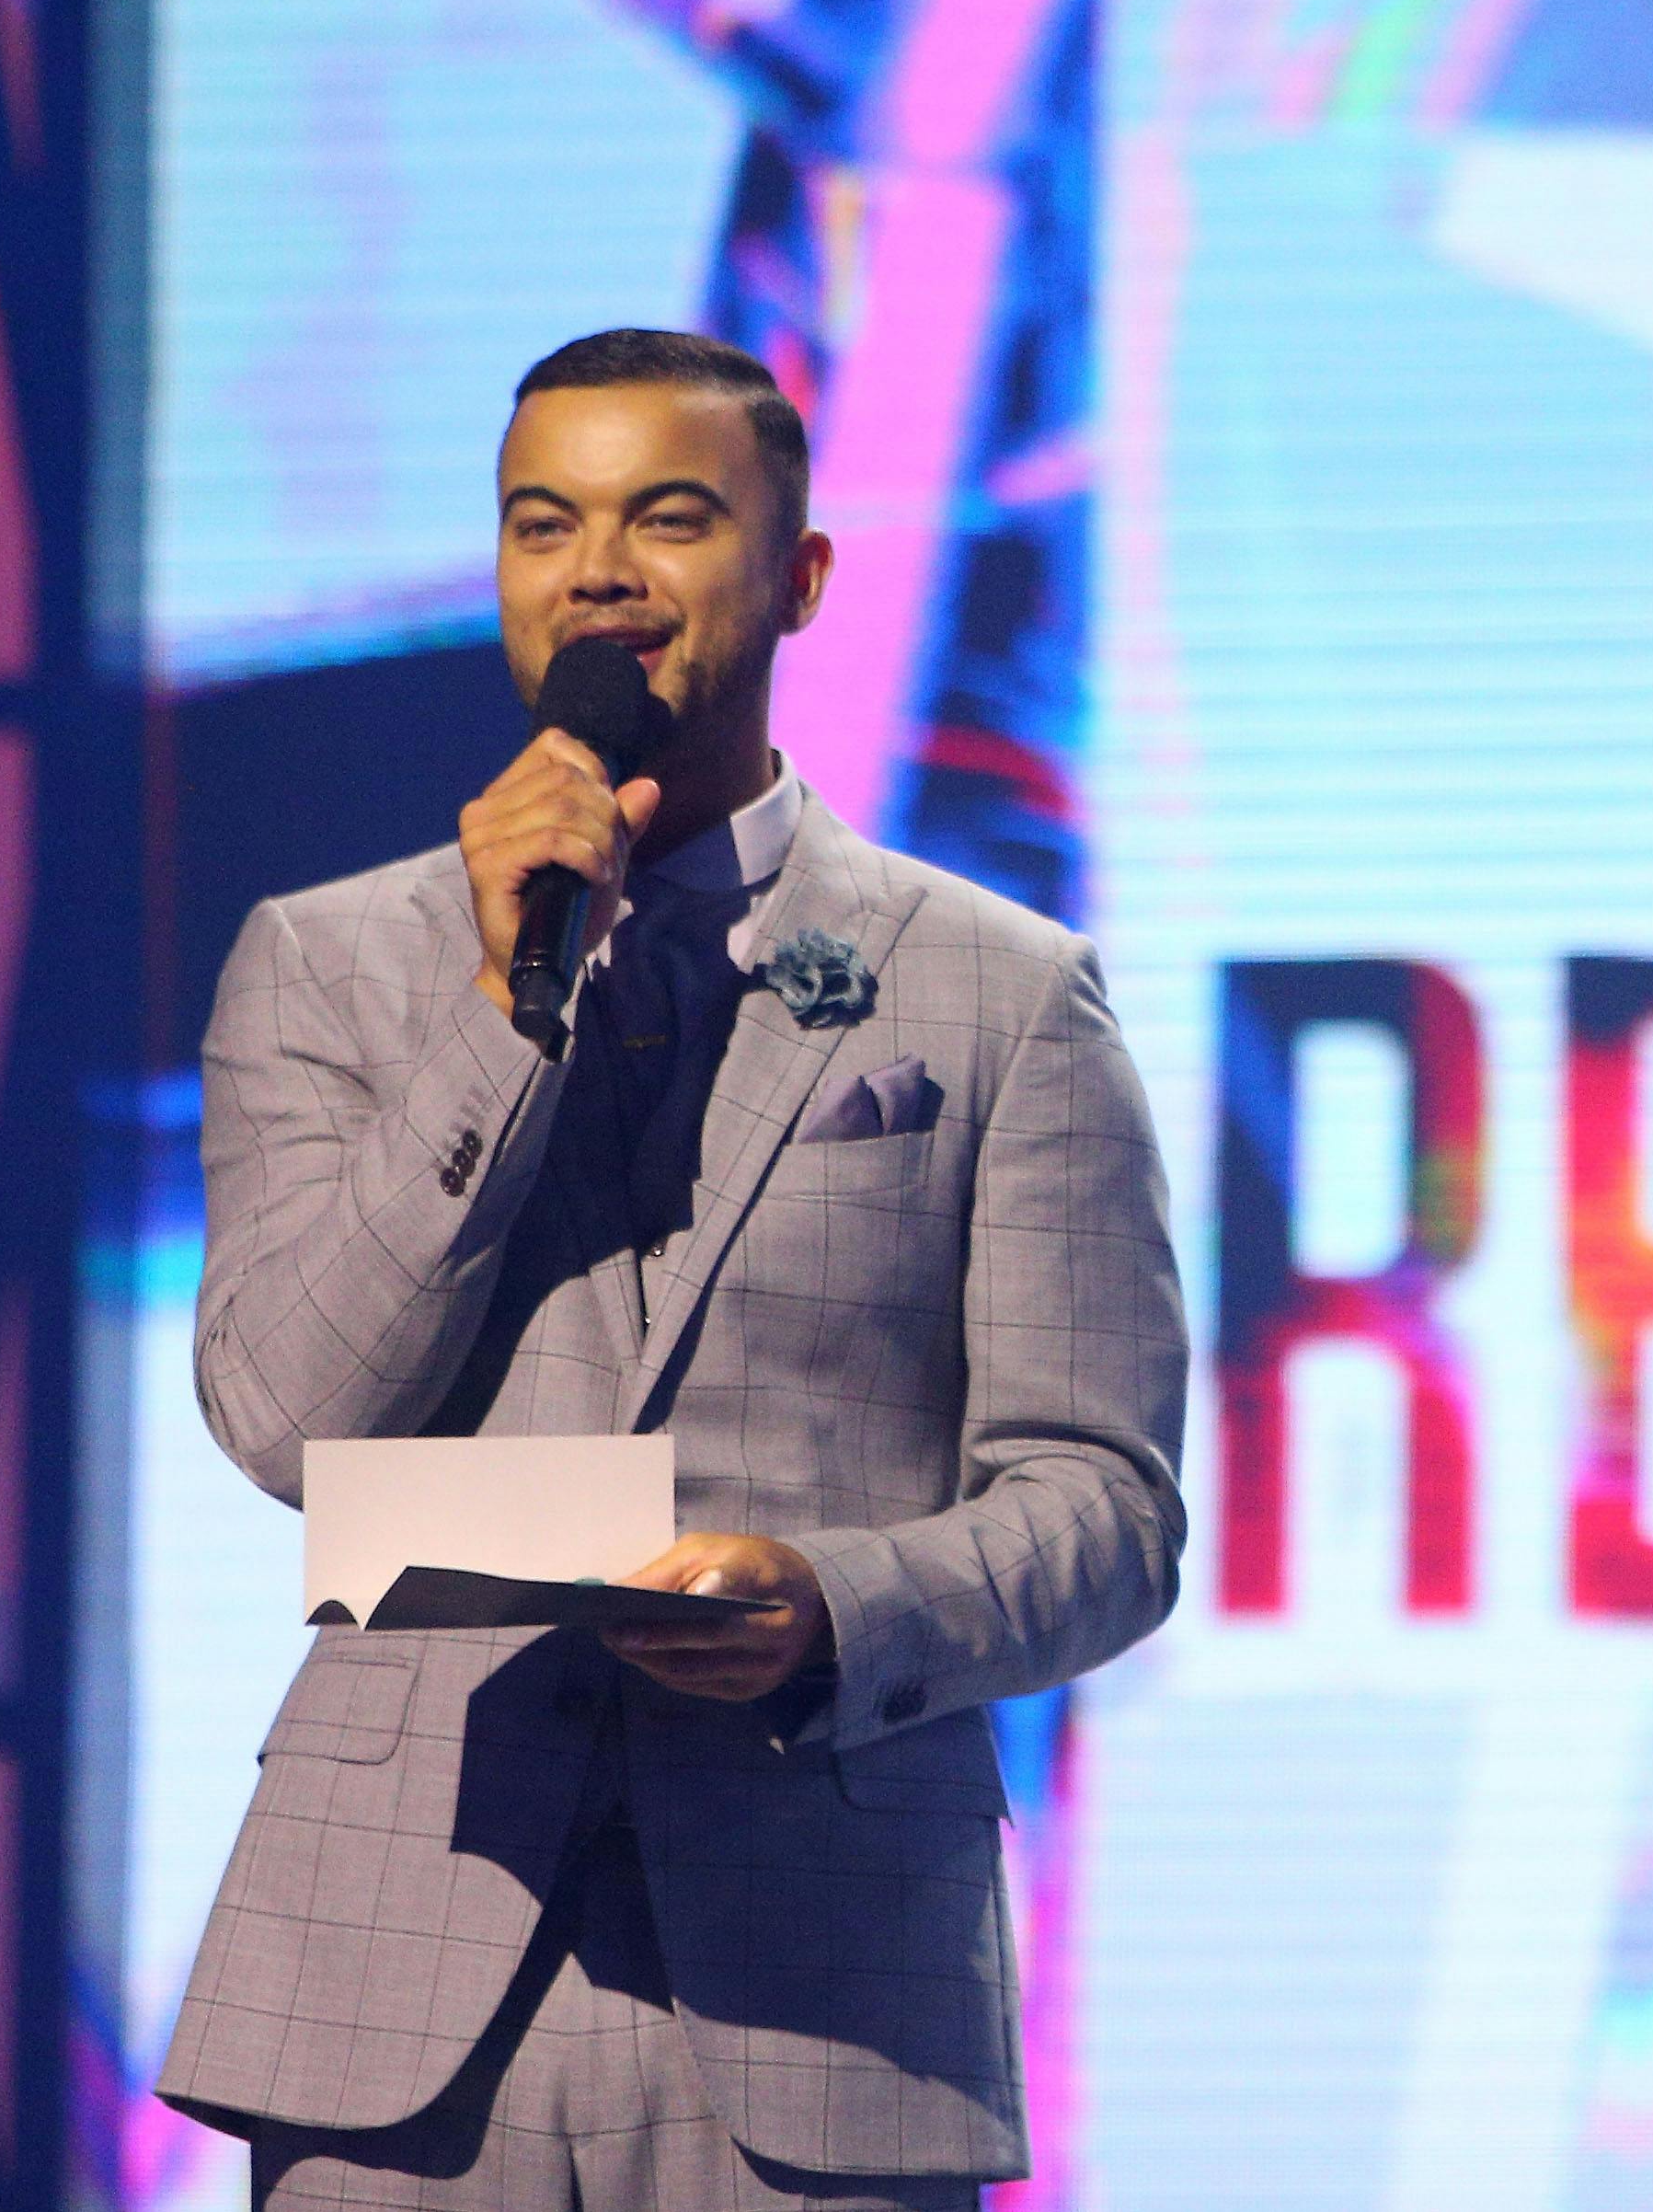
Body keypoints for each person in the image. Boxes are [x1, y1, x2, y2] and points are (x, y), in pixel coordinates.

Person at [157, 328, 1188, 2209]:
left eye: (670, 517)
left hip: (824, 1992)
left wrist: (829, 1605)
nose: (599, 572)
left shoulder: (1003, 990)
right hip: (396, 1966)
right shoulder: (327, 965)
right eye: (544, 523)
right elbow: (288, 1419)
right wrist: (500, 1011)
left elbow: (1106, 1508)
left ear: (801, 576)